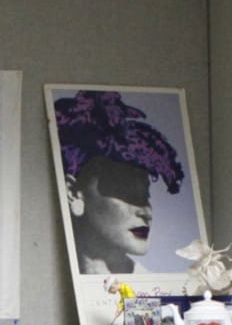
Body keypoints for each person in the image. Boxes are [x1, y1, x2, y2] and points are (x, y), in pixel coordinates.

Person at [54, 90, 187, 274]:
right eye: (127, 192)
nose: (146, 211)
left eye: (145, 195)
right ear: (74, 194)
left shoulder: (156, 285)